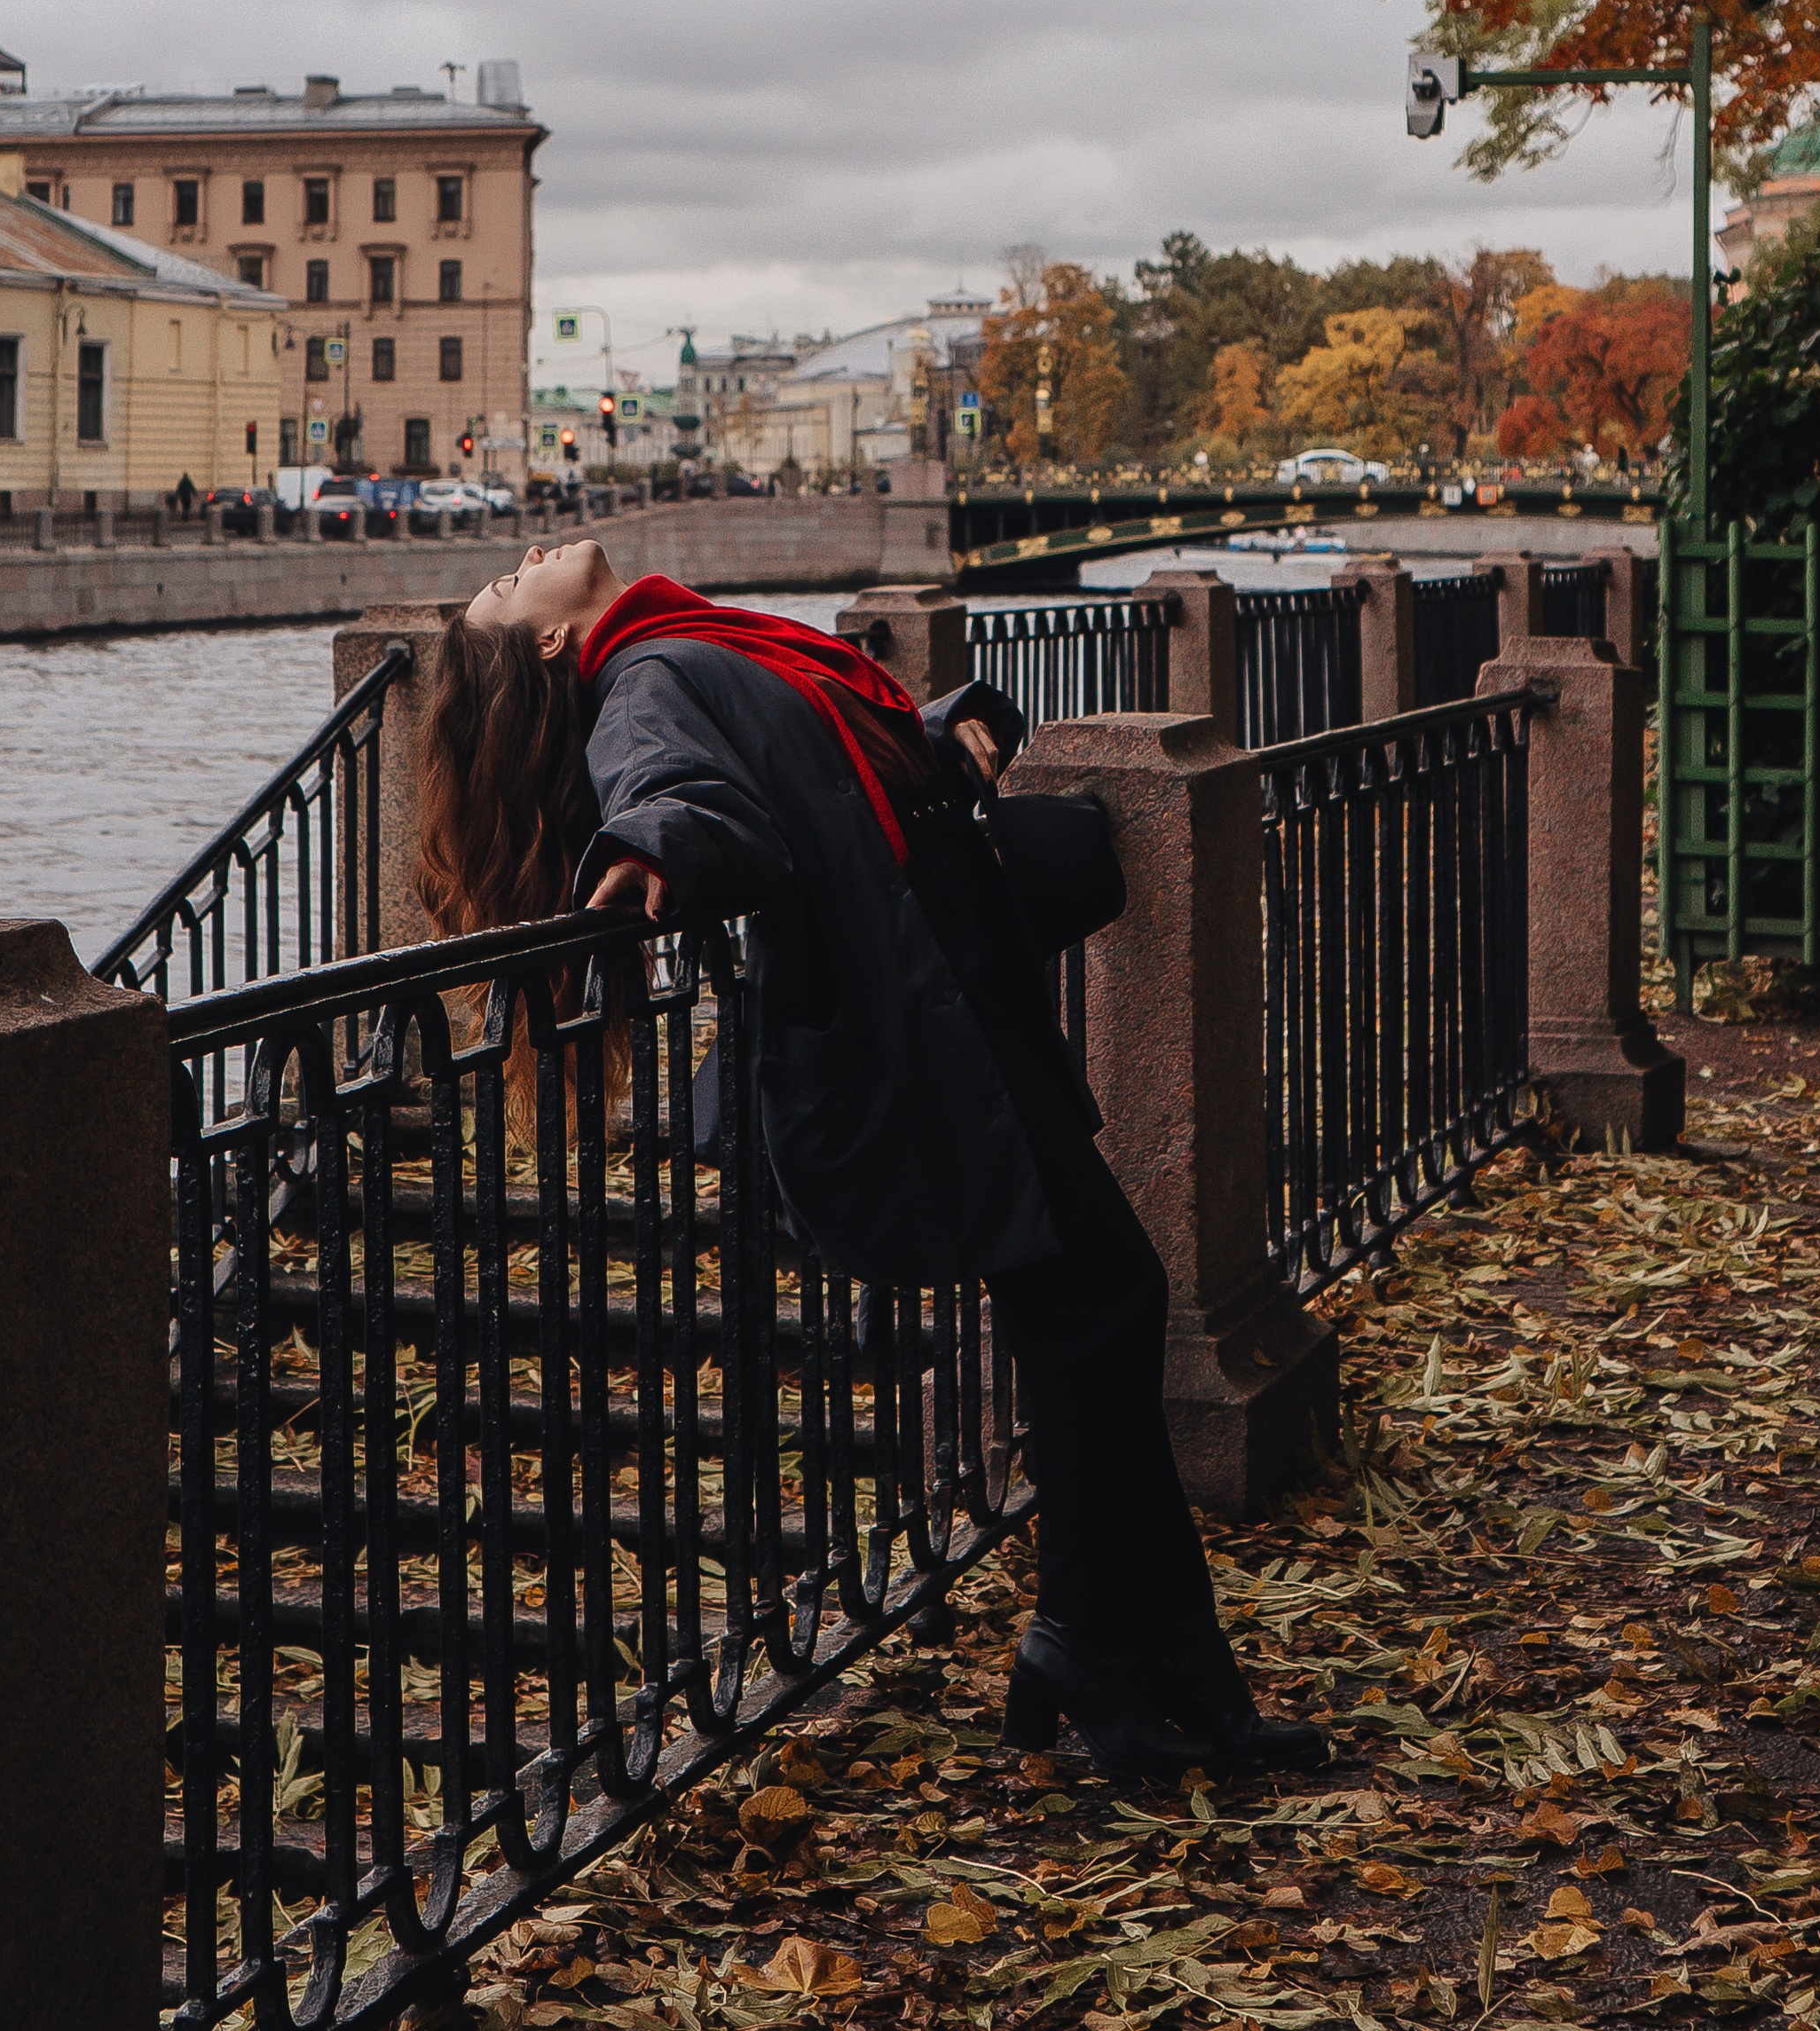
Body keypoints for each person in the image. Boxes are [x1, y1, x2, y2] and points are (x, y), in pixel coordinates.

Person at [415, 541, 1326, 1782]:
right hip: (925, 1043)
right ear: (543, 644)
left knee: (1101, 1315)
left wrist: (945, 729)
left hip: (965, 1014)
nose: (521, 561)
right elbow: (686, 790)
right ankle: (1122, 1662)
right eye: (506, 588)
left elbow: (817, 763)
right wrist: (655, 848)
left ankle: (1132, 1664)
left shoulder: (703, 642)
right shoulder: (647, 680)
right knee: (1103, 1308)